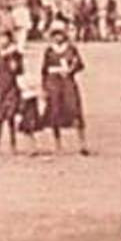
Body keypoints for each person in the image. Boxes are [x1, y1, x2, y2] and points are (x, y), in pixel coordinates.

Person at [40, 25, 89, 154]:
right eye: (55, 35)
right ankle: (58, 144)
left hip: (68, 83)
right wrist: (44, 87)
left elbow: (80, 65)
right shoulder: (49, 51)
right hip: (54, 84)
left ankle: (82, 144)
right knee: (55, 113)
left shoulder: (71, 49)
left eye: (60, 34)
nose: (58, 38)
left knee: (75, 111)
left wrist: (71, 69)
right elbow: (44, 70)